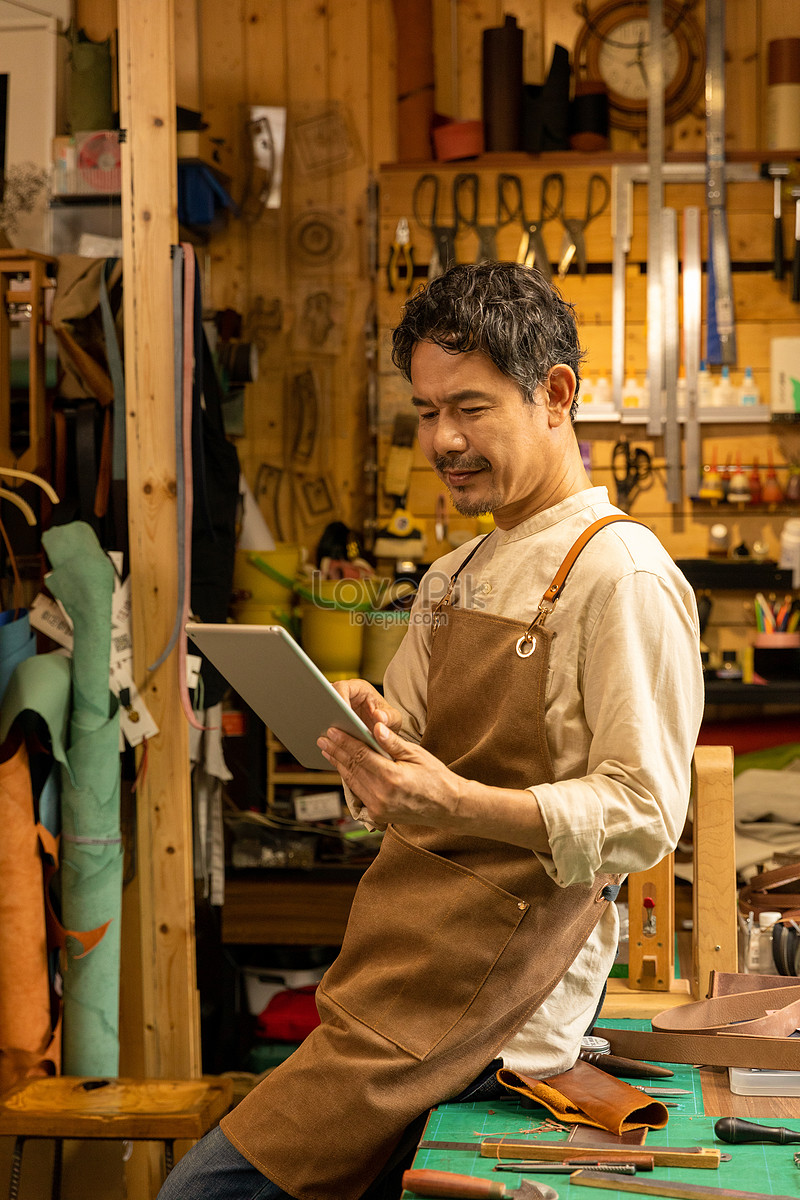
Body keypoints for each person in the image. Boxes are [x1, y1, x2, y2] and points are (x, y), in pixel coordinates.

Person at [160, 262, 703, 1200]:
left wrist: (452, 798)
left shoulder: (621, 576)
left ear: (556, 396)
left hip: (502, 1000)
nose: (443, 440)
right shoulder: (455, 576)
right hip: (396, 971)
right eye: (426, 411)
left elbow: (644, 812)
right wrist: (374, 724)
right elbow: (415, 746)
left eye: (471, 408)